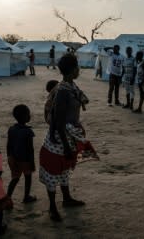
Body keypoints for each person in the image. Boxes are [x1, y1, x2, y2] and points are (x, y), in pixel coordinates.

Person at [39, 53, 88, 222]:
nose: (79, 70)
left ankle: (66, 199)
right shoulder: (62, 91)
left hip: (68, 137)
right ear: (73, 69)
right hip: (60, 140)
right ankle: (52, 207)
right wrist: (66, 145)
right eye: (77, 67)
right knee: (54, 172)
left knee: (65, 169)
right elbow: (59, 122)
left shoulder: (70, 86)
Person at [6, 104, 37, 203]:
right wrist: (32, 162)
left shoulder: (11, 129)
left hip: (13, 158)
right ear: (24, 116)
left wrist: (9, 157)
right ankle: (26, 197)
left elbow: (8, 145)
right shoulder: (28, 131)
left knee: (14, 179)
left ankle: (8, 197)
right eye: (28, 114)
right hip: (25, 160)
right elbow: (30, 149)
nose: (29, 116)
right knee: (28, 177)